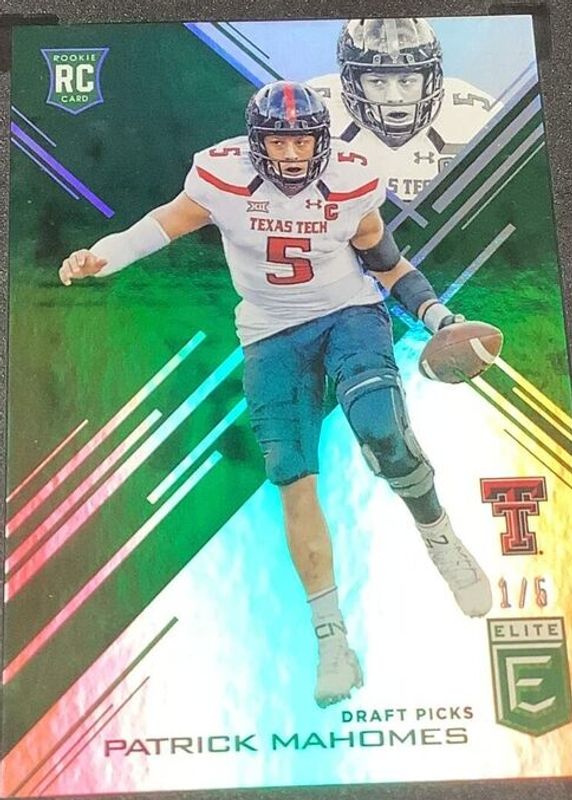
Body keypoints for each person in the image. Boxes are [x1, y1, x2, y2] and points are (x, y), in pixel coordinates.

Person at [58, 81, 492, 709]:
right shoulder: (221, 175)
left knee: (383, 432)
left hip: (348, 314)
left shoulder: (352, 180)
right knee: (293, 477)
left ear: (322, 141)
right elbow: (161, 225)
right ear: (254, 142)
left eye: (302, 141)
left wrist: (438, 316)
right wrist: (102, 256)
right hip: (268, 332)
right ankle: (332, 640)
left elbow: (387, 264)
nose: (291, 154)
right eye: (278, 141)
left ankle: (440, 538)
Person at [309, 18, 499, 201]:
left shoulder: (475, 115)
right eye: (377, 81)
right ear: (353, 84)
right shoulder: (314, 108)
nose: (394, 96)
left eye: (406, 80)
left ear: (429, 81)